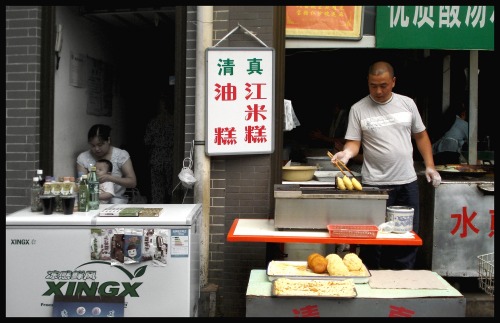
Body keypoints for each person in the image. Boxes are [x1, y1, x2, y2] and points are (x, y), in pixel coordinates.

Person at [330, 61, 442, 270]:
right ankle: (373, 282)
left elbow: (421, 136)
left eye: (383, 85)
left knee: (405, 237)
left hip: (406, 182)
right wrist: (347, 153)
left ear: (393, 82)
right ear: (368, 83)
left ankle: (401, 281)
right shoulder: (358, 109)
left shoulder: (407, 104)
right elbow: (354, 142)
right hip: (376, 186)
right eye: (373, 85)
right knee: (374, 239)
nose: (378, 91)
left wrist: (430, 166)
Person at [77, 124, 137, 204]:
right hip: (92, 201)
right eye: (93, 145)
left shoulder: (121, 155)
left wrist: (110, 178)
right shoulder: (83, 158)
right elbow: (82, 184)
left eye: (100, 145)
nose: (97, 149)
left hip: (116, 200)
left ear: (108, 140)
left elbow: (132, 182)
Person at [144, 95, 174, 204]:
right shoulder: (174, 121)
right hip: (171, 155)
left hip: (157, 156)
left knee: (157, 188)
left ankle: (157, 208)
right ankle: (173, 207)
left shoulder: (154, 122)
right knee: (171, 185)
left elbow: (147, 141)